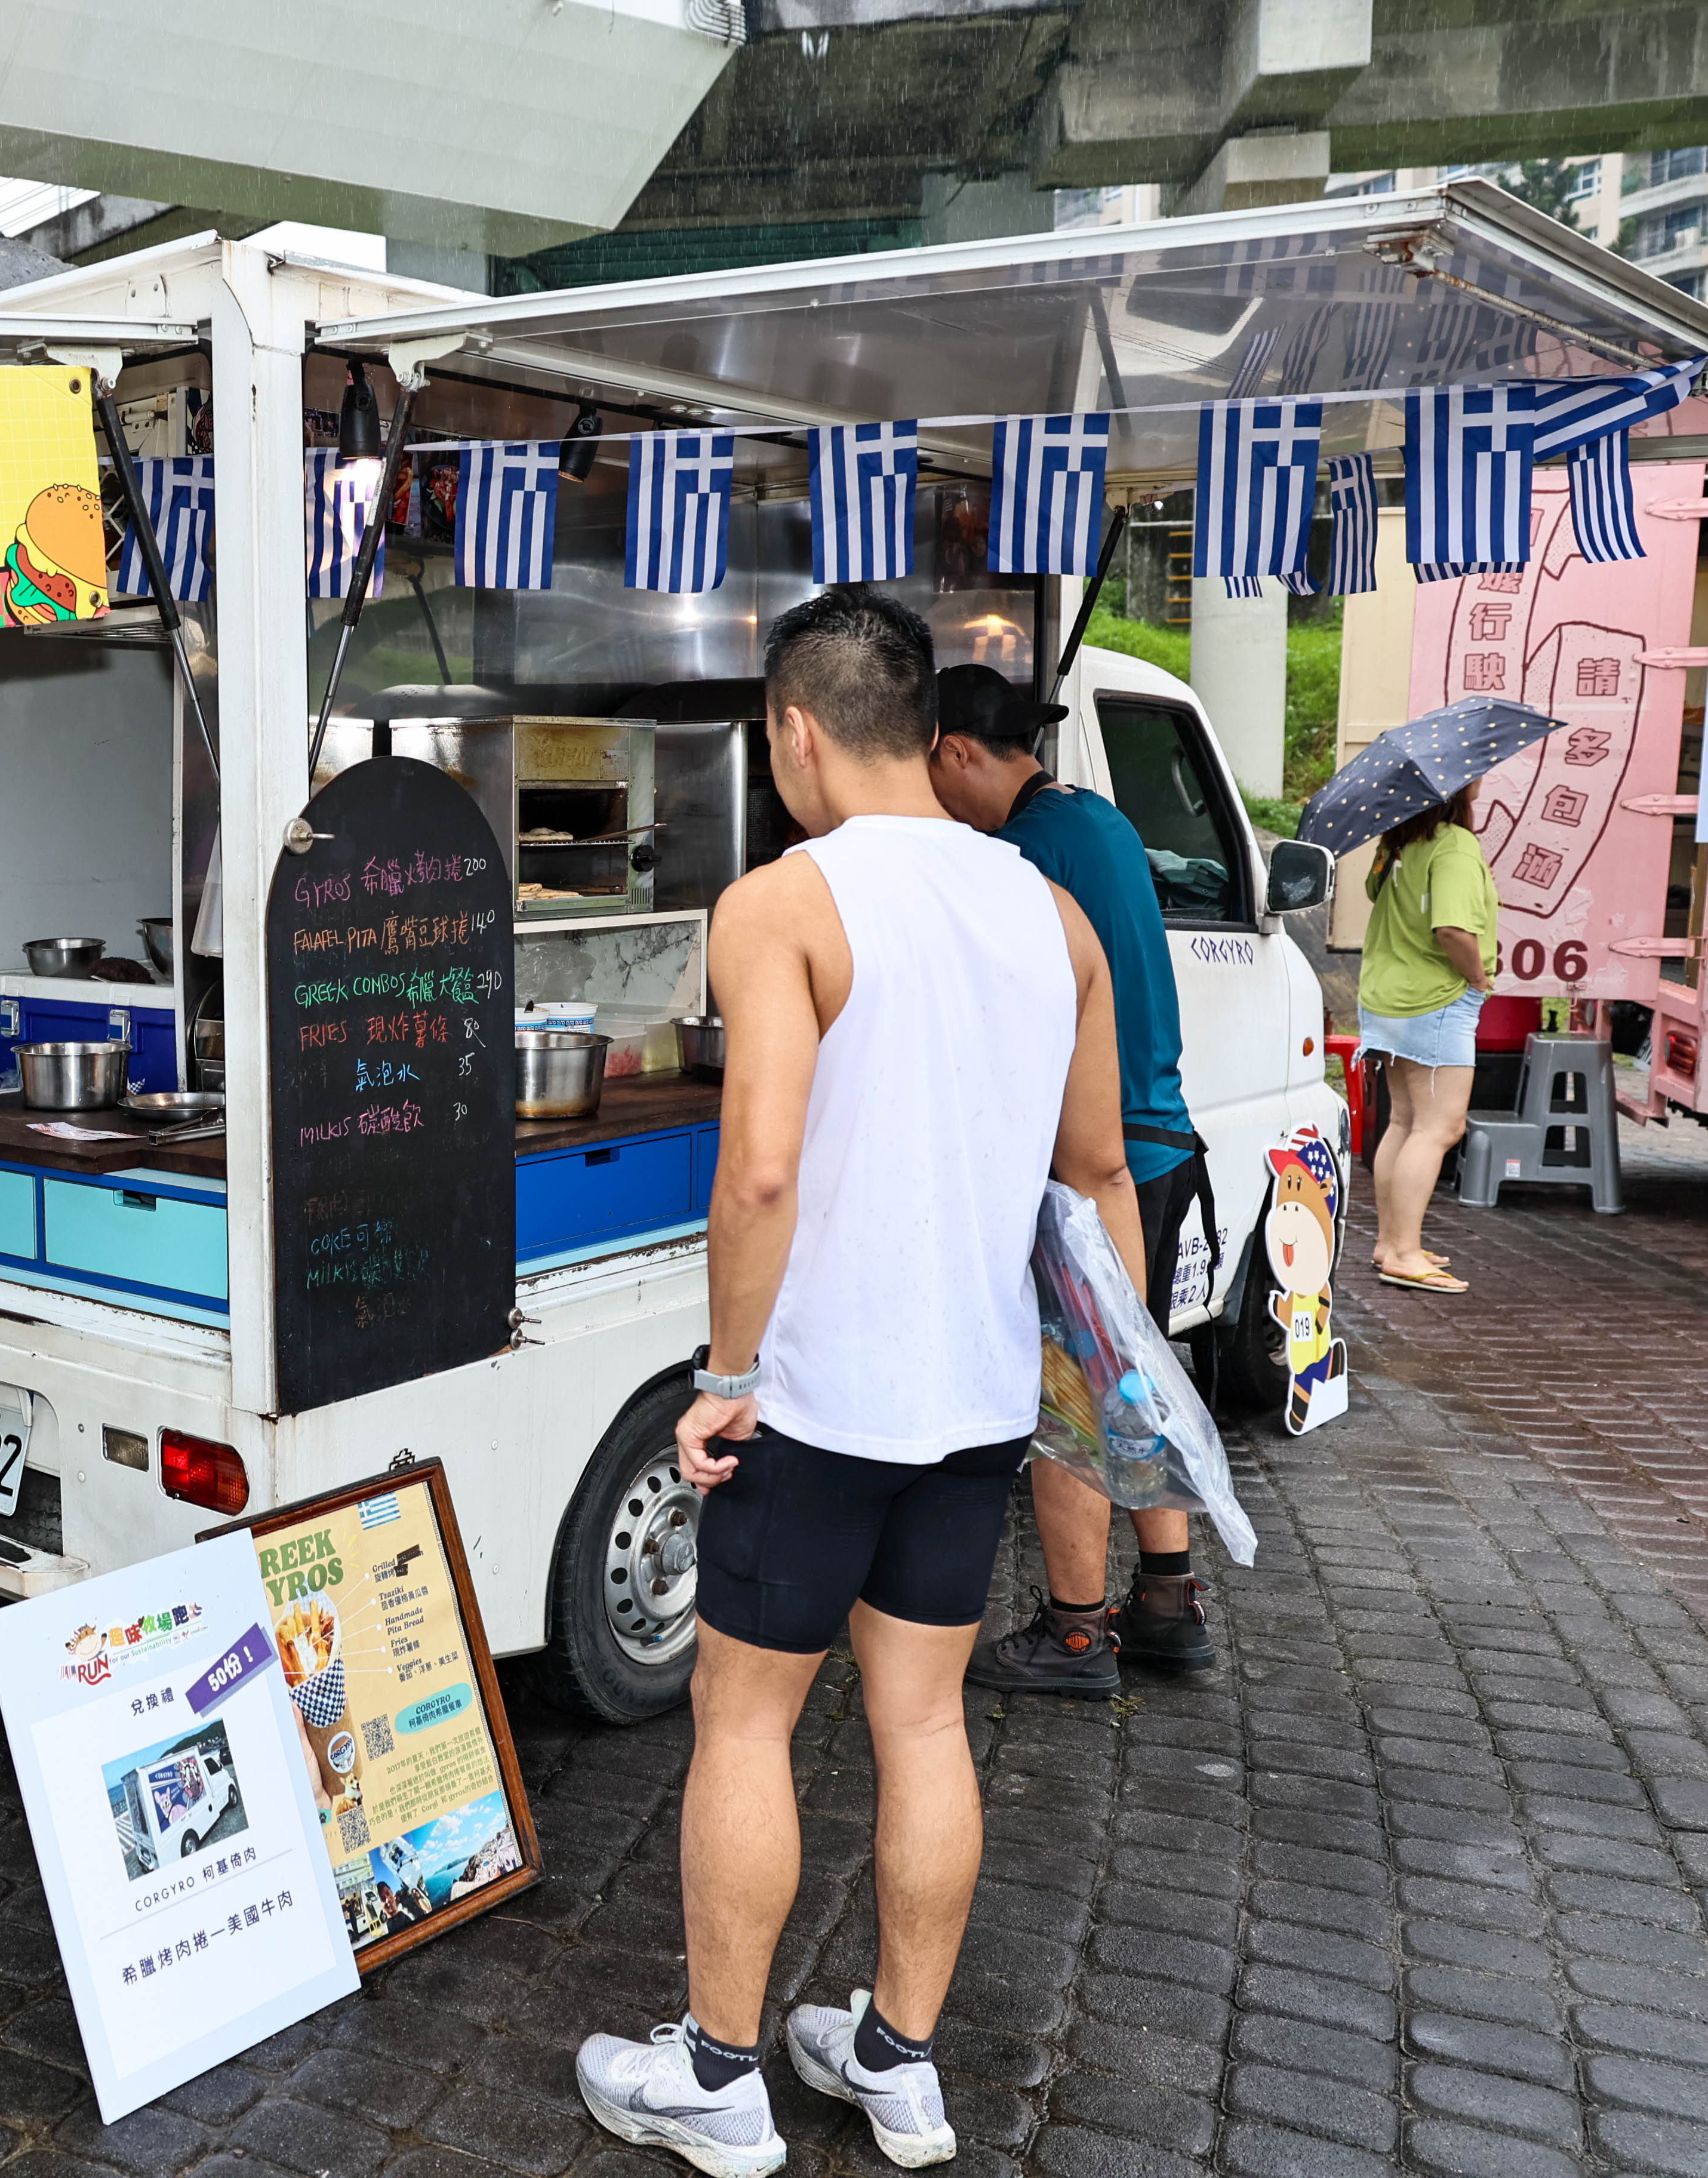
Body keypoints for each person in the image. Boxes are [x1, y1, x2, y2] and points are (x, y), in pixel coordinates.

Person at [576, 592, 1144, 2177]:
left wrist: (724, 1376)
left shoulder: (783, 903)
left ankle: (716, 2075)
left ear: (796, 732)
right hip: (979, 1405)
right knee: (926, 1722)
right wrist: (1110, 1399)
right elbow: (1101, 1174)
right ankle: (898, 2062)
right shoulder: (1054, 916)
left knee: (744, 1723)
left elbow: (758, 1172)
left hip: (819, 1406)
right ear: (927, 727)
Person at [925, 665, 1217, 1697]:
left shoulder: (1018, 856)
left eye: (927, 770)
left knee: (1069, 1397)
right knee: (1131, 1375)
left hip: (1094, 1168)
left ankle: (1077, 1632)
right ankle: (1168, 1602)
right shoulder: (1098, 821)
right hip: (1162, 1147)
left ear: (957, 751)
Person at [1356, 785, 1494, 1293]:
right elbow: (1453, 930)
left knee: (1405, 1121)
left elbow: (1374, 893)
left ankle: (1390, 1242)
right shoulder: (1454, 844)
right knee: (1440, 1127)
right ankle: (1404, 1252)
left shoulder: (1397, 842)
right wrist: (1478, 979)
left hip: (1389, 996)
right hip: (1437, 998)